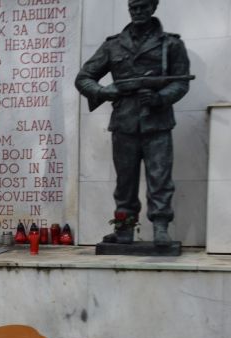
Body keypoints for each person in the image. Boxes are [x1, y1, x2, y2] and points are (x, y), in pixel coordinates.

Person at [75, 0, 190, 246]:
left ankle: (161, 228)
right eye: (133, 7)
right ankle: (124, 229)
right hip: (124, 123)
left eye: (143, 7)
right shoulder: (113, 45)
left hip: (157, 123)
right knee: (125, 181)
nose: (138, 12)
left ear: (153, 7)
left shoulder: (171, 44)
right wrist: (103, 92)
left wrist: (160, 98)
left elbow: (181, 82)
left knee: (160, 179)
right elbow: (84, 78)